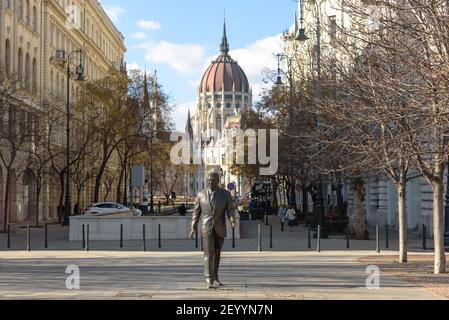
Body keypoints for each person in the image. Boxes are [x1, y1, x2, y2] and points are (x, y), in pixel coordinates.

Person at [189, 172, 236, 289]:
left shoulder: (225, 194)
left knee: (217, 253)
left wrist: (232, 220)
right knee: (208, 253)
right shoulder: (200, 195)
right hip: (206, 227)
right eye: (209, 180)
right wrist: (193, 227)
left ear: (218, 181)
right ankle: (208, 277)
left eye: (213, 180)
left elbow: (230, 209)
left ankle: (215, 275)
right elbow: (196, 212)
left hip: (220, 227)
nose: (210, 182)